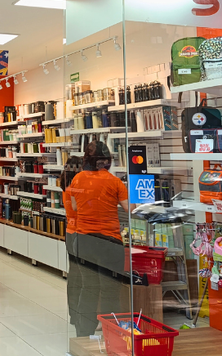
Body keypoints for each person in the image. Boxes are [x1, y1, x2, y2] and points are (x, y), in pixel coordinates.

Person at [64, 141, 135, 337]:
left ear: (86, 159)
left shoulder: (77, 179)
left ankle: (82, 333)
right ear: (108, 160)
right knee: (110, 291)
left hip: (84, 240)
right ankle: (111, 334)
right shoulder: (114, 181)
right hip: (109, 242)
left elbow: (75, 207)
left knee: (88, 288)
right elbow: (130, 208)